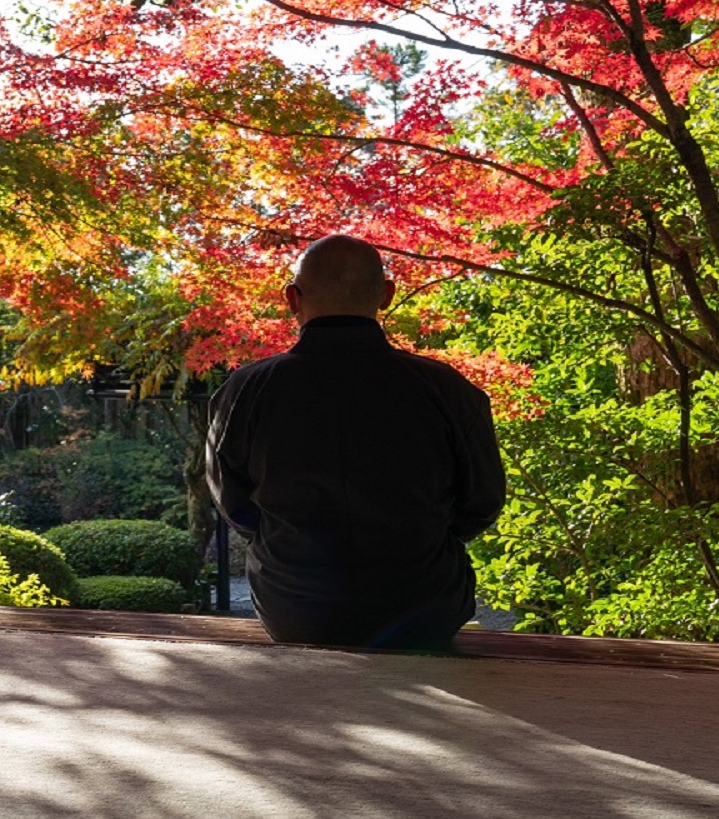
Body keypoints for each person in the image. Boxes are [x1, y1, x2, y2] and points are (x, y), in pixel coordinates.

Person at [205, 235, 504, 649]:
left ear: (293, 298)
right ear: (386, 294)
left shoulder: (246, 390)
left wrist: (288, 541)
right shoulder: (445, 389)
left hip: (295, 608)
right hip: (424, 607)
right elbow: (483, 501)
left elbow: (233, 504)